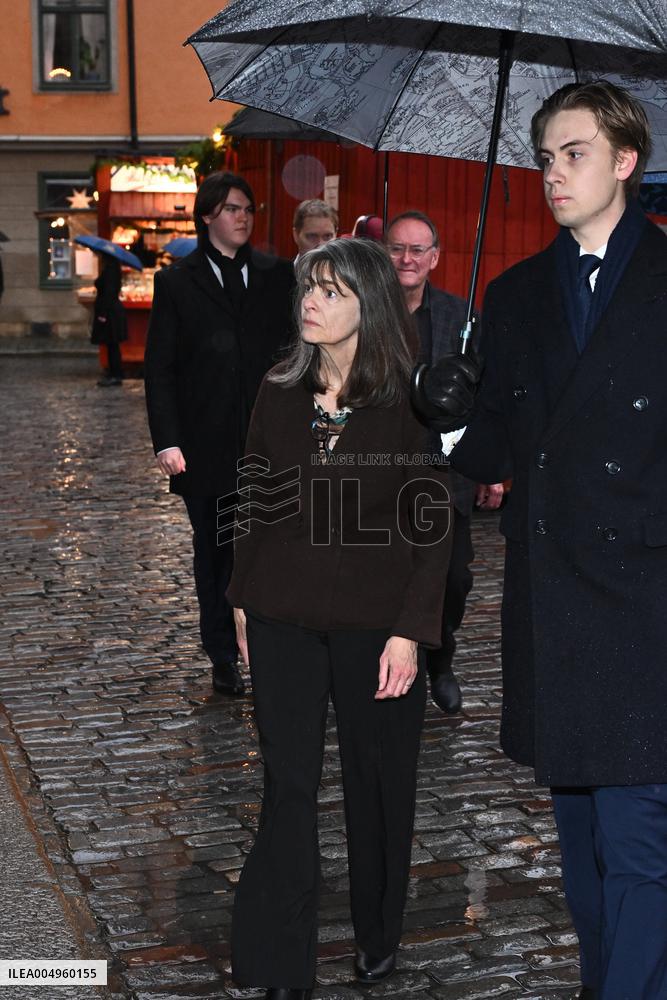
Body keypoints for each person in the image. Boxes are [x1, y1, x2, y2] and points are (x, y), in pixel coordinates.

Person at [415, 80, 667, 1000]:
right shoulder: (514, 293)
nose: (552, 175)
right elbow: (494, 449)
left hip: (645, 603)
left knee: (641, 845)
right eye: (544, 158)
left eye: (573, 154)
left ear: (624, 162)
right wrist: (441, 412)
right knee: (585, 850)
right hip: (554, 598)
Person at [228, 238, 452, 1000]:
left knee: (378, 784)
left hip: (375, 624)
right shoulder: (277, 389)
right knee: (289, 786)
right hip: (282, 614)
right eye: (307, 289)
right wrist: (240, 600)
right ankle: (281, 960)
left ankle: (376, 936)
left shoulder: (409, 399)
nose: (310, 303)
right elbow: (253, 496)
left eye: (330, 291)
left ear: (370, 305)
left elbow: (432, 525)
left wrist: (410, 631)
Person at [144, 171, 295, 697]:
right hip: (205, 449)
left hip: (269, 443)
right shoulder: (176, 282)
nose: (244, 216)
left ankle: (269, 645)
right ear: (207, 215)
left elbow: (296, 349)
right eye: (233, 208)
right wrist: (167, 440)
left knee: (270, 550)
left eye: (249, 208)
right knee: (215, 554)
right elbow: (159, 368)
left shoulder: (277, 275)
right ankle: (223, 654)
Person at [385, 210, 503, 714]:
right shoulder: (365, 314)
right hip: (379, 473)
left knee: (453, 579)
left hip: (443, 474)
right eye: (397, 248)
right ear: (384, 254)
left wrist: (491, 467)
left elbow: (486, 397)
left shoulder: (461, 319)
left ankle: (441, 657)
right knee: (387, 577)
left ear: (435, 258)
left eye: (418, 250)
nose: (407, 259)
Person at [90, 254, 127, 387]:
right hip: (111, 311)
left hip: (110, 313)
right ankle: (114, 372)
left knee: (112, 344)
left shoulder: (110, 271)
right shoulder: (112, 270)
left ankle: (115, 374)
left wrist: (103, 314)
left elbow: (109, 293)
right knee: (112, 344)